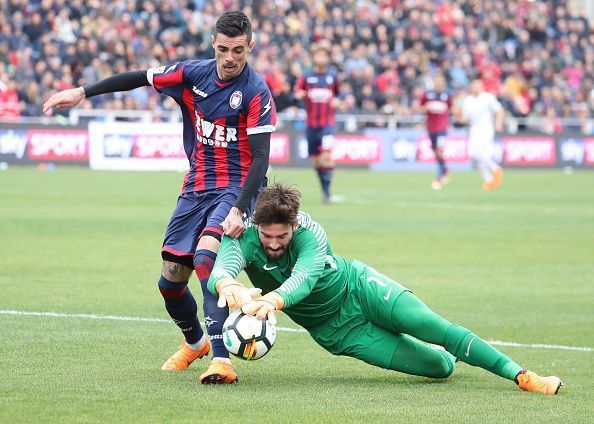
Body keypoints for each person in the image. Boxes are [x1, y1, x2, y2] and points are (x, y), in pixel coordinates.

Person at [43, 11, 276, 384]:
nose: (229, 58)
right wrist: (83, 92)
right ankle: (196, 342)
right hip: (196, 185)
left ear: (250, 46)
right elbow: (140, 77)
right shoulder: (193, 74)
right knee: (169, 281)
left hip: (236, 188)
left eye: (237, 50)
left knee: (205, 259)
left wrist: (238, 208)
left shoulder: (256, 92)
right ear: (212, 45)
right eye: (222, 49)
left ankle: (222, 361)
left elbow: (261, 158)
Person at [207, 183, 562, 395]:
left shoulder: (310, 234)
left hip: (362, 289)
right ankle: (449, 354)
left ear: (294, 224)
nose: (272, 243)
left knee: (438, 328)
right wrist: (229, 284)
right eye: (267, 236)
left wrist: (272, 299)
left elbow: (305, 276)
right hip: (338, 331)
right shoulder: (243, 235)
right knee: (440, 368)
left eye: (281, 235)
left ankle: (523, 376)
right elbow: (220, 268)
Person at [294, 41, 341, 203]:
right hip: (311, 125)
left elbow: (339, 95)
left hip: (327, 124)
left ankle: (327, 194)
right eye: (319, 55)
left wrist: (338, 101)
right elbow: (297, 92)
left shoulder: (332, 77)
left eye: (324, 55)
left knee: (326, 158)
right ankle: (324, 190)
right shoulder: (306, 77)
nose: (321, 58)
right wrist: (300, 95)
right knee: (316, 162)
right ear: (314, 57)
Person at [460, 79, 504, 191]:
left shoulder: (488, 97)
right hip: (474, 130)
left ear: (482, 87)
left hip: (486, 129)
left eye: (478, 86)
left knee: (484, 154)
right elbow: (465, 118)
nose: (476, 88)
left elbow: (499, 110)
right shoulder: (468, 100)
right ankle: (490, 178)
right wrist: (458, 116)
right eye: (474, 86)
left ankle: (494, 172)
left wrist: (498, 122)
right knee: (473, 154)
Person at [420, 73, 452, 190]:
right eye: (436, 80)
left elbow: (451, 109)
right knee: (435, 152)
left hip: (442, 128)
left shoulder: (447, 95)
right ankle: (445, 168)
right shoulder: (428, 95)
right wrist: (427, 107)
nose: (438, 82)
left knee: (439, 151)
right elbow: (420, 107)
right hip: (431, 128)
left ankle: (439, 177)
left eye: (440, 80)